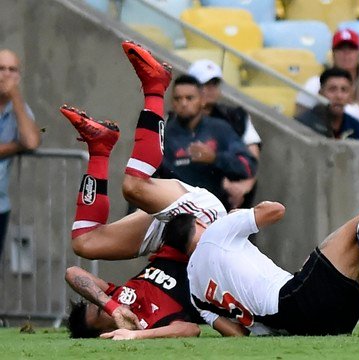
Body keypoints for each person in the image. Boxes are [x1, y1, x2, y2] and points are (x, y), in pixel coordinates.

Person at [62, 41, 245, 339]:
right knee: (119, 205)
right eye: (100, 314)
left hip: (180, 223)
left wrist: (110, 305)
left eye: (97, 307)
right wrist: (135, 333)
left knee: (88, 238)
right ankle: (141, 101)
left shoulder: (116, 299)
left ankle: (106, 142)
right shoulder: (148, 325)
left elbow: (74, 273)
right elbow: (189, 330)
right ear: (105, 332)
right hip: (202, 226)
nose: (105, 308)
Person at [188, 202, 359, 336]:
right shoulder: (215, 232)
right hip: (300, 303)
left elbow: (236, 333)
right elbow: (275, 211)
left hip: (296, 323)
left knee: (352, 249)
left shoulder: (193, 290)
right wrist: (239, 214)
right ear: (198, 225)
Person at [159, 74, 257, 211]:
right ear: (172, 102)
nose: (183, 103)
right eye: (178, 98)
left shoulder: (220, 129)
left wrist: (215, 158)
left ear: (202, 100)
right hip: (174, 214)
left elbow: (247, 166)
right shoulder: (164, 134)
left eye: (189, 98)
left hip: (214, 212)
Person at [188, 59, 261, 208]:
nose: (210, 89)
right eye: (204, 85)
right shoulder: (181, 119)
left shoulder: (236, 116)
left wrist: (244, 186)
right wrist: (224, 184)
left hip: (236, 189)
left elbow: (252, 153)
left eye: (214, 84)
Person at [0, 49, 41, 258]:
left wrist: (15, 96)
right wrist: (16, 146)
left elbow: (32, 141)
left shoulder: (19, 108)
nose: (6, 75)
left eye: (12, 69)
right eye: (1, 68)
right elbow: (25, 144)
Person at [295, 28, 359, 124]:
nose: (346, 53)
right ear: (333, 54)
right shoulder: (314, 84)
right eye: (341, 48)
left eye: (351, 48)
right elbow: (298, 121)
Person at [296, 68, 359, 140]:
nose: (339, 96)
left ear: (350, 96)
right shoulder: (302, 124)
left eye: (344, 90)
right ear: (320, 93)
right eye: (332, 89)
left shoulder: (358, 128)